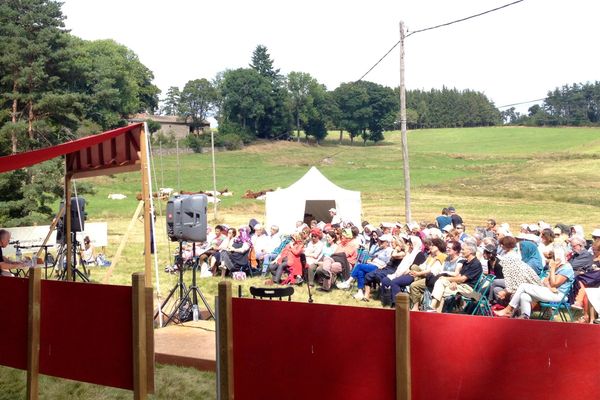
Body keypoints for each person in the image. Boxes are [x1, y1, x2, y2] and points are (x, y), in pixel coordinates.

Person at [494, 248, 574, 319]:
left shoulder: (566, 268)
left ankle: (509, 309)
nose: (551, 259)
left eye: (553, 257)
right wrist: (550, 284)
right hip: (550, 291)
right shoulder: (558, 267)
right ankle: (525, 317)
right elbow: (545, 282)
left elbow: (554, 284)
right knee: (524, 296)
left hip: (559, 295)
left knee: (523, 286)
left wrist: (552, 269)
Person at [429, 242, 483, 313]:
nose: (461, 251)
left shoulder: (476, 264)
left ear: (470, 251)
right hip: (460, 285)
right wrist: (454, 282)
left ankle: (437, 312)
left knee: (443, 289)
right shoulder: (466, 262)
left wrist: (447, 278)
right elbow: (459, 276)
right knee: (440, 281)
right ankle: (433, 307)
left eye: (463, 249)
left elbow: (463, 279)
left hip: (468, 288)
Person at [336, 234, 393, 300]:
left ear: (387, 243)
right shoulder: (380, 249)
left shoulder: (389, 250)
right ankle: (360, 292)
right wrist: (375, 253)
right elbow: (371, 255)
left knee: (359, 266)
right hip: (372, 264)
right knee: (360, 272)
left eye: (382, 241)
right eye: (380, 241)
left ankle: (348, 282)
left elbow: (388, 262)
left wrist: (382, 266)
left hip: (378, 267)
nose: (380, 242)